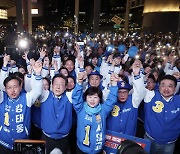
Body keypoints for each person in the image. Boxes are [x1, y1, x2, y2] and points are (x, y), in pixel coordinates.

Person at [0, 57, 43, 153]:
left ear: (20, 87)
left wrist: (37, 74)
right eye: (9, 88)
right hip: (3, 143)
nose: (12, 90)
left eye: (15, 87)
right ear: (5, 89)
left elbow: (38, 91)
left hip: (22, 142)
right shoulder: (2, 98)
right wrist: (4, 65)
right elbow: (1, 84)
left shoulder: (26, 98)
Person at [72, 71, 119, 154]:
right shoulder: (81, 109)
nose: (92, 100)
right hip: (81, 149)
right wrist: (79, 83)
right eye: (90, 97)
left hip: (97, 149)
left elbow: (111, 99)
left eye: (95, 97)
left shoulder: (103, 110)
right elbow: (76, 98)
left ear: (99, 99)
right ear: (85, 98)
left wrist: (114, 84)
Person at [106, 62, 145, 136]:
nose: (122, 95)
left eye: (125, 92)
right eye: (119, 92)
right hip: (111, 140)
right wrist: (112, 83)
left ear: (128, 93)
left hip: (128, 140)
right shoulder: (111, 102)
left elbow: (140, 92)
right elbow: (105, 94)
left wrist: (136, 75)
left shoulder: (133, 101)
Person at [144, 75, 180, 154]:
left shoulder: (178, 100)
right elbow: (139, 88)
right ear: (158, 86)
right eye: (163, 85)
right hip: (150, 140)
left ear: (175, 88)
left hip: (169, 143)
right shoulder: (151, 95)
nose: (166, 89)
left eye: (170, 86)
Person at [39, 73, 73, 154]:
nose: (58, 87)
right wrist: (37, 74)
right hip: (47, 137)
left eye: (61, 85)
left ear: (65, 87)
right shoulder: (45, 95)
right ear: (51, 85)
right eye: (55, 84)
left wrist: (80, 81)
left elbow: (78, 92)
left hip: (64, 138)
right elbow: (37, 89)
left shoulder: (69, 96)